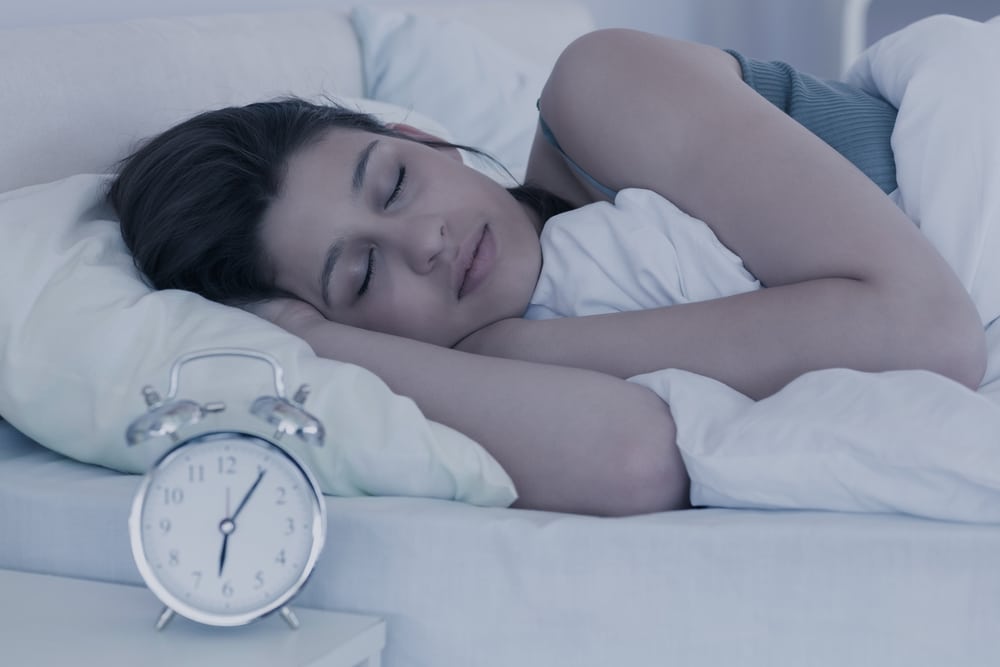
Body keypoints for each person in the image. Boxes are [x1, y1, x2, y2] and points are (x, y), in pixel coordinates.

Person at [108, 29, 987, 517]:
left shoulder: (599, 89)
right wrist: (315, 344)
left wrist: (519, 345)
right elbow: (631, 458)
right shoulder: (480, 358)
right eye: (362, 275)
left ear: (426, 140)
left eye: (395, 182)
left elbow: (930, 334)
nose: (424, 242)